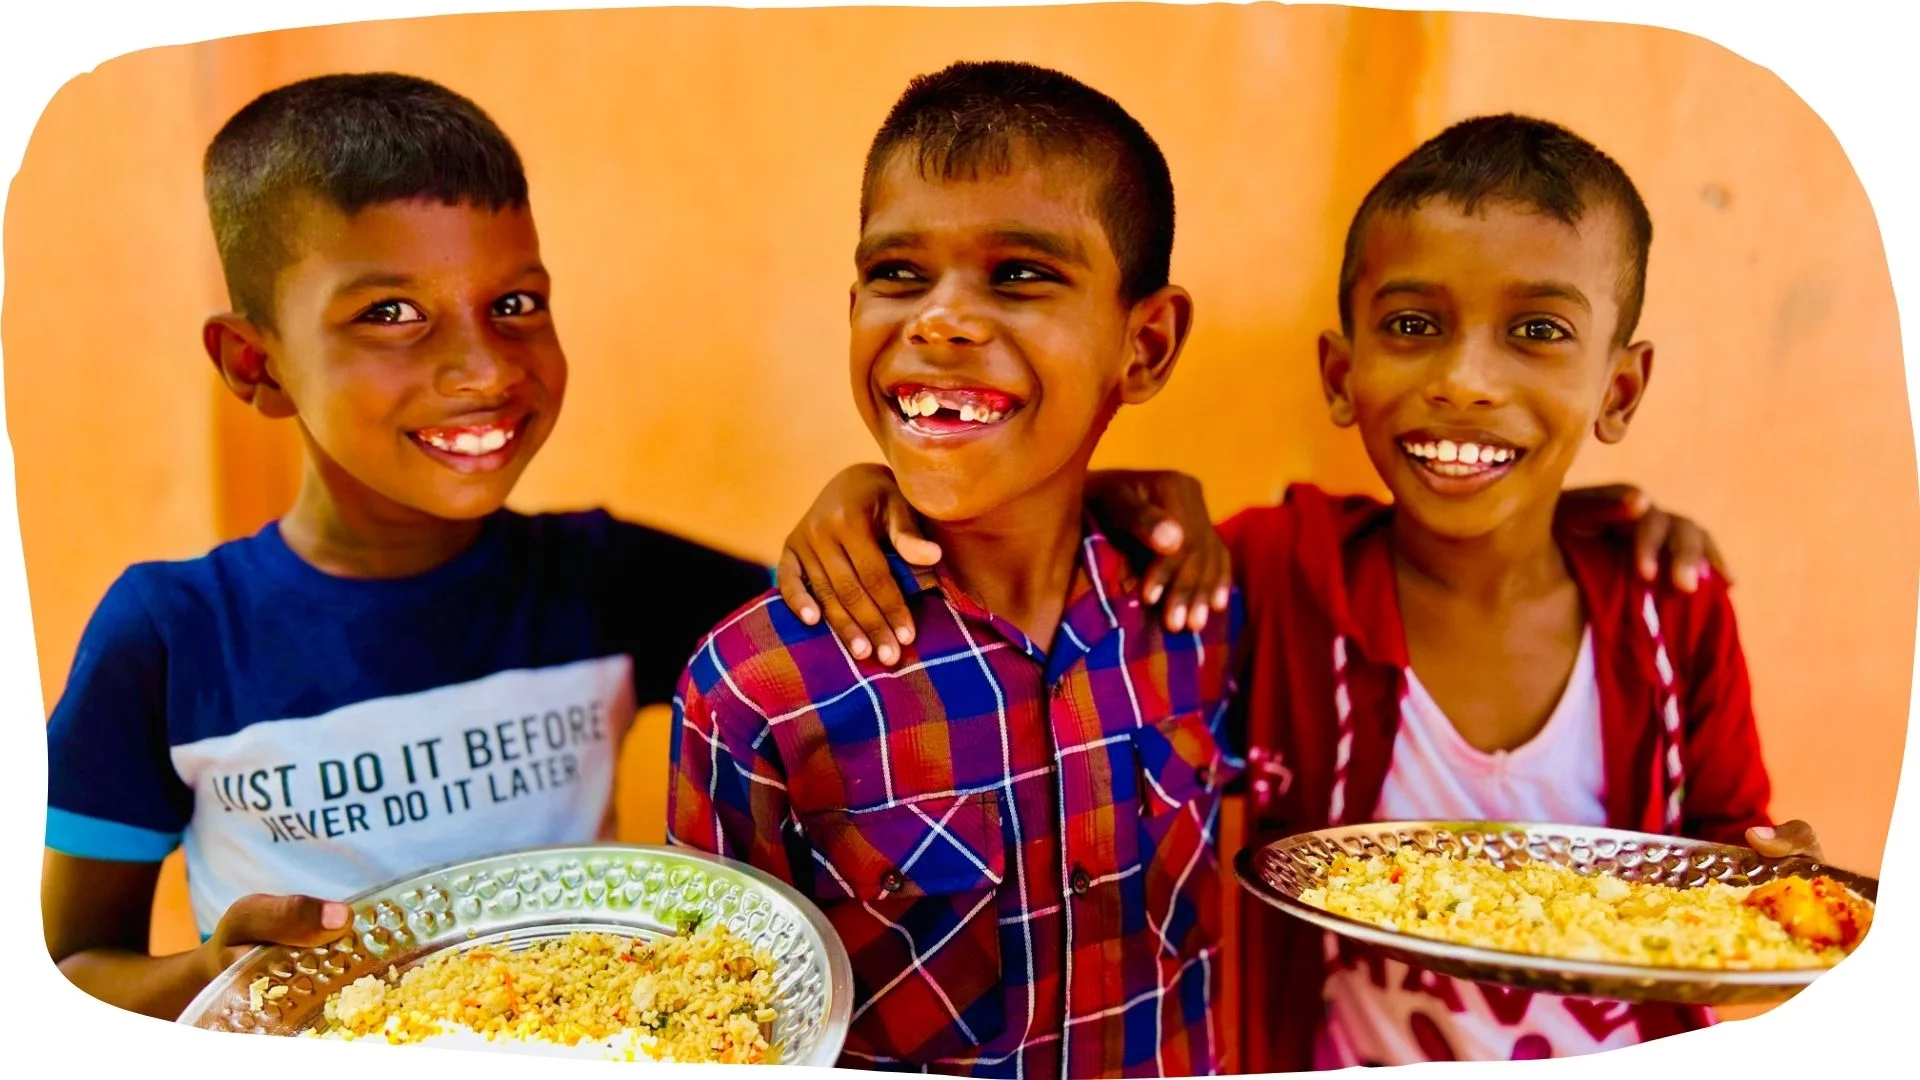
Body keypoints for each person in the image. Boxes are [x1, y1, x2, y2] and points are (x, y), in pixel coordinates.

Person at [772, 115, 1821, 1071]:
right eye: (1414, 325)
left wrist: (1772, 881)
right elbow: (1033, 499)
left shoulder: (1667, 604)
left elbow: (1725, 851)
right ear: (1338, 372)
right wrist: (877, 486)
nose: (1466, 380)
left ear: (1619, 388)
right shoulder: (1281, 572)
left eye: (1537, 332)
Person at [40, 72, 773, 1020]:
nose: (483, 368)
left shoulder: (602, 578)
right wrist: (212, 978)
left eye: (515, 303)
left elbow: (834, 631)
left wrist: (861, 501)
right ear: (255, 365)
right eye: (390, 313)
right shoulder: (172, 639)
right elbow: (72, 971)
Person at [668, 61, 1243, 1078]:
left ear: (1144, 345)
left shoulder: (1195, 610)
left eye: (1020, 274)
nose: (939, 320)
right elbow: (716, 1031)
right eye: (899, 276)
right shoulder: (757, 692)